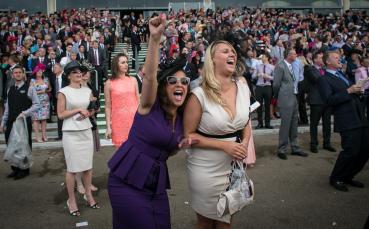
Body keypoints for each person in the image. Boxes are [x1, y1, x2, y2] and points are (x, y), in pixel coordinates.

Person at [108, 14, 191, 228]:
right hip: (126, 183)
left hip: (155, 187)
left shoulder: (183, 118)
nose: (178, 84)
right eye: (172, 81)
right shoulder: (148, 105)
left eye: (184, 81)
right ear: (164, 87)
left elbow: (170, 148)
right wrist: (154, 40)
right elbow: (151, 77)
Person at [184, 40, 252, 228]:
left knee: (226, 220)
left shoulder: (243, 87)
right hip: (205, 169)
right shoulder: (199, 95)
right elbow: (187, 136)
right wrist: (225, 145)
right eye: (225, 51)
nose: (232, 54)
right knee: (205, 221)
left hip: (233, 168)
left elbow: (246, 122)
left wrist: (244, 143)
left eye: (233, 51)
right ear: (212, 59)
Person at [318, 51, 369, 192]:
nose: (339, 59)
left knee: (365, 149)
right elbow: (329, 100)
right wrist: (348, 91)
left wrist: (359, 91)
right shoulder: (324, 79)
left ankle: (348, 176)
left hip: (359, 116)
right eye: (336, 57)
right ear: (328, 62)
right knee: (350, 151)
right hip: (346, 119)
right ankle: (336, 177)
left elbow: (352, 91)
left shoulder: (342, 75)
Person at [57, 61, 99, 216]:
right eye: (75, 72)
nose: (79, 73)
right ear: (68, 76)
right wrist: (78, 110)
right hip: (70, 133)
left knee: (88, 167)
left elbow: (91, 109)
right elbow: (61, 114)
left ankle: (88, 194)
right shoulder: (63, 92)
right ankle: (71, 200)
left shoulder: (87, 90)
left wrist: (89, 112)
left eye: (80, 71)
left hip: (86, 130)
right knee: (73, 169)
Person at [0, 65, 40, 180]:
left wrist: (25, 113)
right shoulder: (10, 89)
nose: (17, 74)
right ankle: (15, 168)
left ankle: (24, 169)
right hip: (11, 122)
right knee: (11, 144)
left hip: (23, 122)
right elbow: (7, 108)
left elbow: (37, 104)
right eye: (15, 73)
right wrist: (3, 123)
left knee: (23, 145)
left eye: (19, 72)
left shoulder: (30, 88)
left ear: (23, 74)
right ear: (12, 75)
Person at [273, 48, 307, 160]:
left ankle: (295, 147)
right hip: (284, 98)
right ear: (288, 55)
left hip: (293, 97)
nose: (296, 55)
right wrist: (277, 97)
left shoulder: (292, 65)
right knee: (285, 125)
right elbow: (276, 84)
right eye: (294, 53)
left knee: (293, 124)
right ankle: (281, 149)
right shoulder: (280, 66)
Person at [104, 53, 139, 148]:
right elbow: (107, 107)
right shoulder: (109, 83)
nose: (126, 64)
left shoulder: (133, 80)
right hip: (118, 123)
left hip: (135, 121)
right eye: (123, 62)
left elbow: (138, 102)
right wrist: (108, 127)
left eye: (127, 62)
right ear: (116, 65)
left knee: (137, 154)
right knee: (122, 156)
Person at [75, 61, 100, 195]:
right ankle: (79, 183)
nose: (85, 76)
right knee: (79, 156)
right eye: (83, 74)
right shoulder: (74, 89)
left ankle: (88, 182)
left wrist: (93, 110)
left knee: (88, 156)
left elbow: (97, 106)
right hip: (79, 124)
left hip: (91, 122)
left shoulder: (90, 87)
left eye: (86, 74)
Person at [305, 51, 336, 153]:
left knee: (327, 124)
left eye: (323, 58)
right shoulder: (310, 69)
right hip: (316, 101)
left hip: (327, 101)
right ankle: (313, 144)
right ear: (315, 59)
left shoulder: (325, 70)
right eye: (321, 57)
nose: (323, 59)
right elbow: (317, 79)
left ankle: (327, 143)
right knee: (314, 124)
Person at [30, 63, 51, 142]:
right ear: (35, 72)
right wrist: (40, 92)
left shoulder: (46, 79)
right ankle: (37, 136)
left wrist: (45, 90)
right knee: (36, 119)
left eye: (41, 71)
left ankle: (44, 135)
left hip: (45, 102)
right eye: (38, 71)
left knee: (44, 119)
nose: (39, 72)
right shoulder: (32, 80)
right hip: (36, 102)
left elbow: (49, 89)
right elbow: (30, 91)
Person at [253, 53, 274, 129]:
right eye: (262, 57)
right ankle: (260, 123)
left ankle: (267, 123)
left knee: (267, 105)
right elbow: (253, 76)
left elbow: (274, 78)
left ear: (267, 58)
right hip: (259, 87)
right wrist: (257, 74)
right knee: (259, 105)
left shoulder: (272, 67)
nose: (262, 58)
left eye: (264, 57)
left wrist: (268, 76)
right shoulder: (258, 66)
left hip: (267, 86)